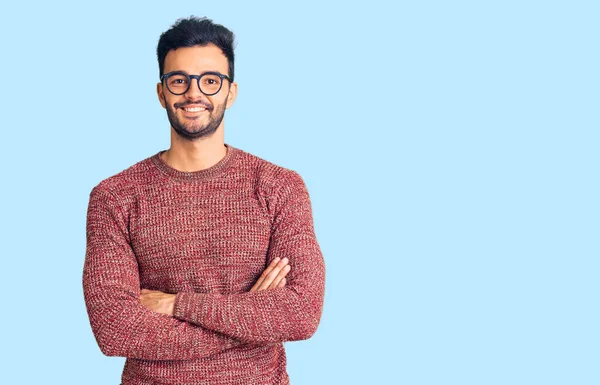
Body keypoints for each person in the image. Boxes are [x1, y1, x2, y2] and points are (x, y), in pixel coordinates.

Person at [82, 16, 325, 385]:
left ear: (231, 92)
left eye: (211, 81)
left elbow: (302, 313)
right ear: (162, 92)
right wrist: (248, 319)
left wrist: (177, 305)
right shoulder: (115, 197)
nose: (194, 94)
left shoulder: (279, 186)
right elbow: (115, 330)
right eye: (179, 81)